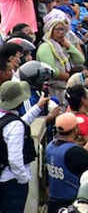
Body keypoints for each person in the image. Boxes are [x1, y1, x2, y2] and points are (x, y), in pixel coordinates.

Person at [46, 113, 88, 213]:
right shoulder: (75, 153)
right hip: (72, 206)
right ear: (75, 129)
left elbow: (73, 157)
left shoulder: (50, 147)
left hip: (53, 204)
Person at [0, 81, 36, 213]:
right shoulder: (15, 125)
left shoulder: (5, 119)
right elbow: (15, 159)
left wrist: (37, 107)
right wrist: (23, 178)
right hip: (12, 182)